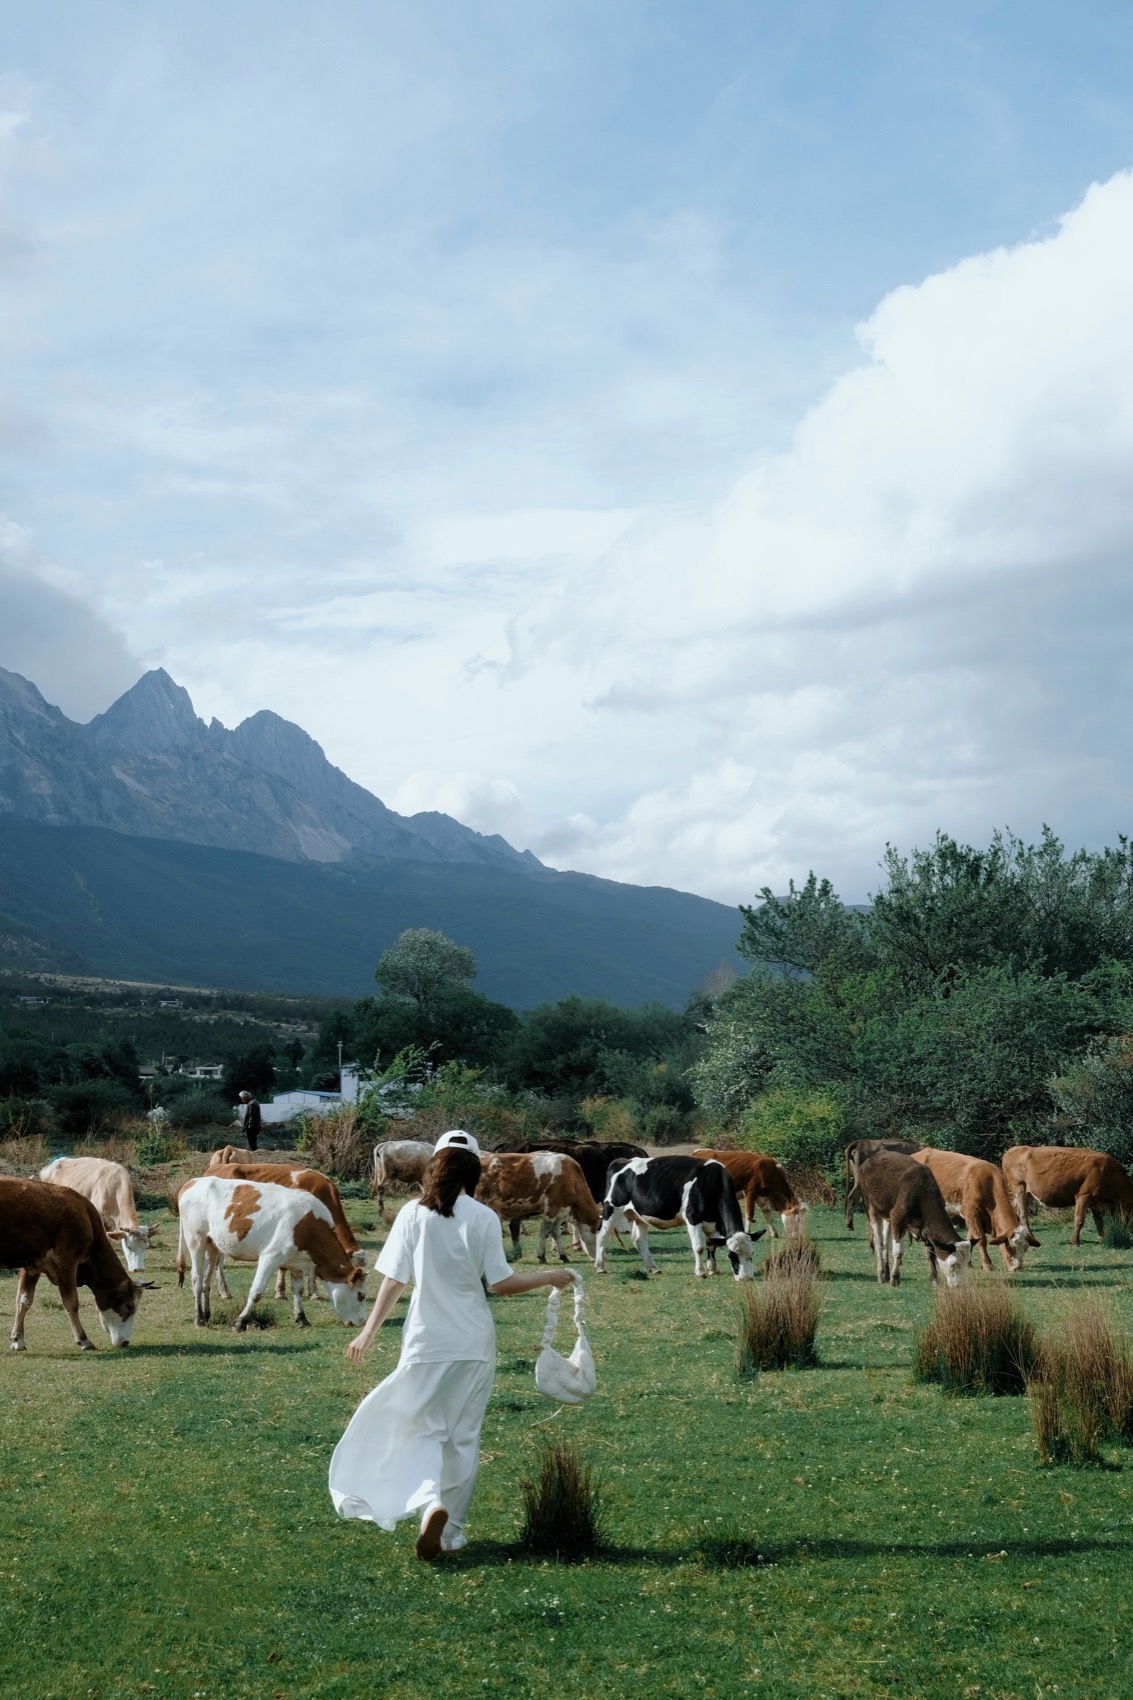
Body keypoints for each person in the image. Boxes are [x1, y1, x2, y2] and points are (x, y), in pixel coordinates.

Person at [328, 1129, 575, 1561]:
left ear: (434, 1166)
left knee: (421, 1427)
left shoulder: (411, 1214)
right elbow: (501, 1284)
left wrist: (368, 1332)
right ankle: (452, 1532)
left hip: (426, 1340)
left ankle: (429, 1502)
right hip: (473, 1342)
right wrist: (549, 1276)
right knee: (462, 1437)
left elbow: (395, 1280)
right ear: (474, 1170)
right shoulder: (484, 1217)